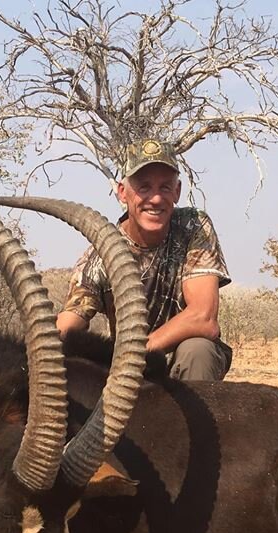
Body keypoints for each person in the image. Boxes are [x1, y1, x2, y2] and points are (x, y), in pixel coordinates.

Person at [56, 139, 233, 381]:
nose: (156, 199)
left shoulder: (194, 227)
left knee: (198, 350)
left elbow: (204, 317)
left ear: (177, 191)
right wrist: (44, 348)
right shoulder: (100, 255)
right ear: (122, 192)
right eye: (144, 187)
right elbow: (71, 320)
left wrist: (135, 353)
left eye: (165, 188)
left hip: (175, 363)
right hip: (130, 373)